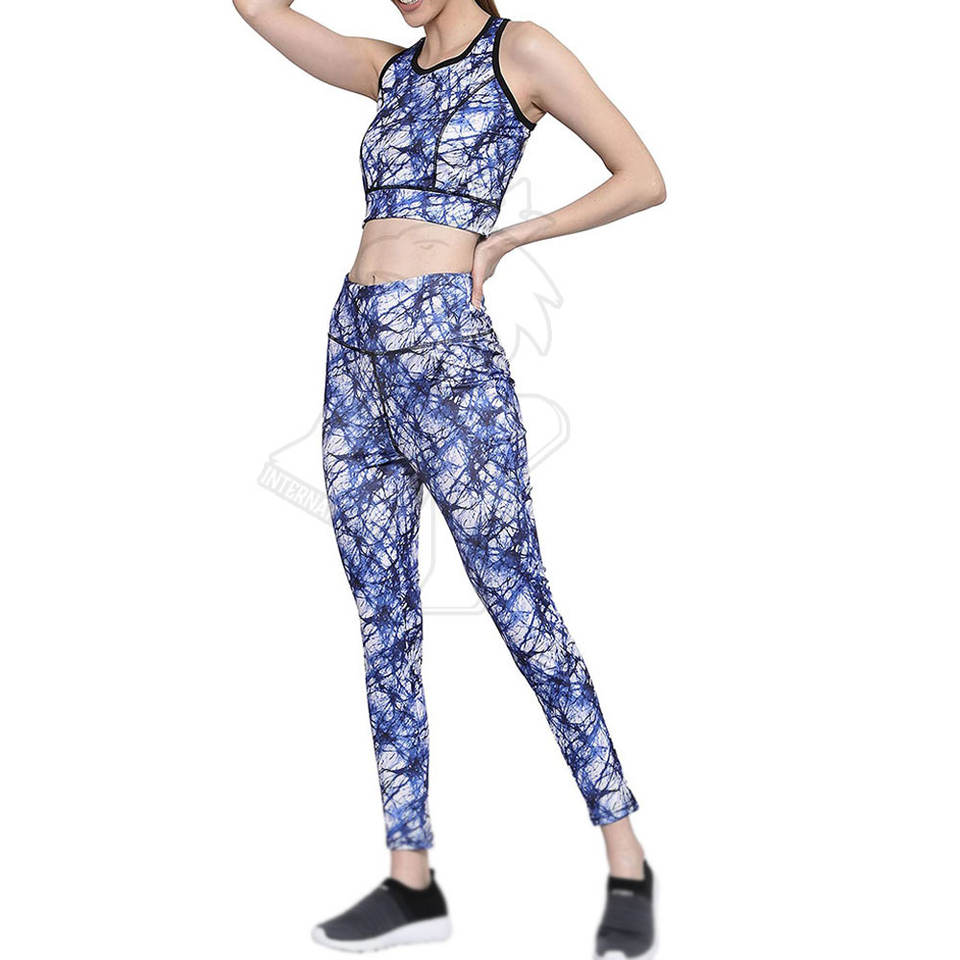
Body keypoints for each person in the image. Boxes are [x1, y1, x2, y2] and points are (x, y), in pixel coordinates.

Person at [233, 0, 665, 955]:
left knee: (519, 603)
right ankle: (411, 878)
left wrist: (511, 238)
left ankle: (626, 857)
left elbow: (642, 177)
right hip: (355, 352)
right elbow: (258, 8)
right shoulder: (388, 70)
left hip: (448, 355)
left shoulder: (523, 50)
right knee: (382, 617)